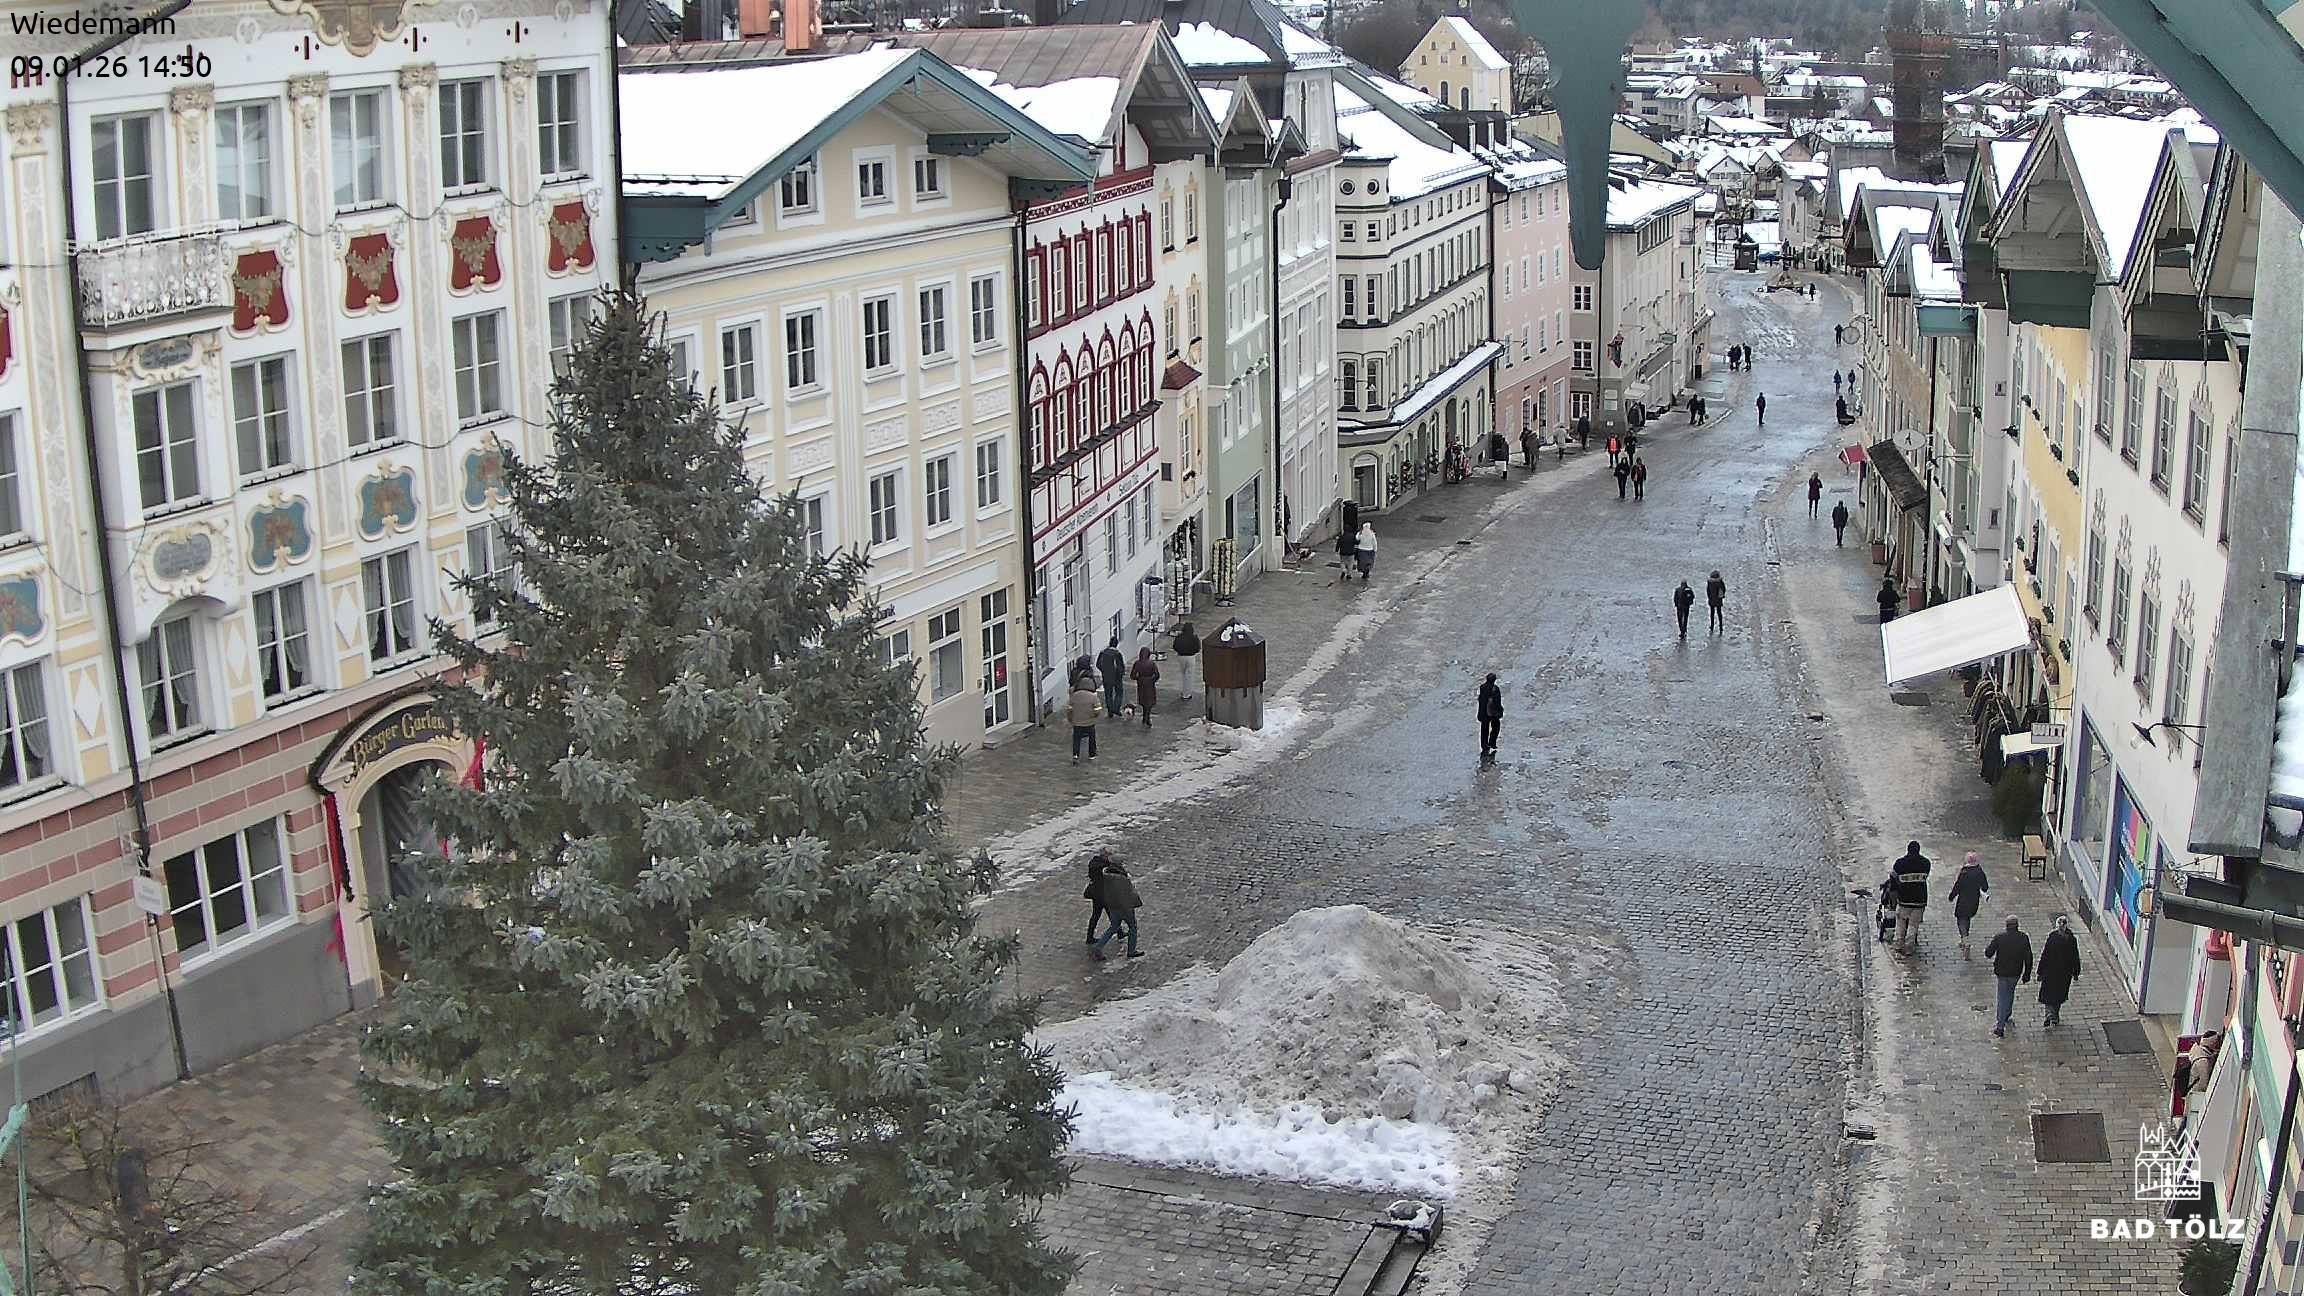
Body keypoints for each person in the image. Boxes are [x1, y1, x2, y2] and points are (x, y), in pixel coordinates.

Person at [1983, 916, 2033, 1037]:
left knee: (2002, 997)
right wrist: (2027, 974)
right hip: (2015, 972)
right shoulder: (2023, 938)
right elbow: (2028, 958)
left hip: (2002, 972)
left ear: (2006, 926)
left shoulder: (2000, 937)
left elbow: (1988, 953)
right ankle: (2007, 1014)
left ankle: (2000, 1025)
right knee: (2010, 992)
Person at [1088, 859, 1143, 960]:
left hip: (1113, 906)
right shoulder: (1123, 880)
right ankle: (1131, 951)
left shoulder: (1105, 876)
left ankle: (1098, 946)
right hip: (1125, 908)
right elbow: (1129, 894)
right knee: (1132, 927)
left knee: (1113, 927)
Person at [2037, 916, 2081, 1027]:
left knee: (2048, 994)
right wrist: (2076, 972)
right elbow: (2075, 957)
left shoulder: (2052, 938)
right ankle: (2055, 1016)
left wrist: (2040, 971)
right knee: (2059, 995)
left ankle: (2048, 1014)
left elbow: (2045, 955)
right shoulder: (2071, 940)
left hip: (2050, 971)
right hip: (2064, 973)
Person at [1891, 841, 1932, 953]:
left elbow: (1893, 880)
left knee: (1901, 923)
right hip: (1920, 900)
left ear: (1907, 850)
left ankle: (1899, 943)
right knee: (1913, 925)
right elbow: (1925, 877)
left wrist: (1894, 896)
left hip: (1904, 899)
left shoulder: (1899, 863)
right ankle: (1909, 946)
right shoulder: (1926, 863)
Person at [1947, 852, 1990, 956]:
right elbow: (1985, 887)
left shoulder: (1964, 872)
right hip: (1974, 901)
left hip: (1963, 901)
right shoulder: (1979, 872)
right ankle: (1964, 940)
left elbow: (1958, 886)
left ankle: (1965, 940)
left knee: (1961, 920)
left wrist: (1951, 896)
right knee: (1967, 918)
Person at [1082, 851, 1116, 943]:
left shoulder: (1094, 862)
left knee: (1097, 915)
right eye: (1109, 855)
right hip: (1101, 894)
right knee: (1110, 914)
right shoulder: (1102, 867)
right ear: (1105, 855)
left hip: (1096, 894)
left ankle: (1090, 936)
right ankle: (1117, 932)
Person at [1068, 675, 1101, 763]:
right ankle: (1092, 754)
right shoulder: (1093, 697)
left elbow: (1070, 709)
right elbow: (1097, 710)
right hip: (1089, 722)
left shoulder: (1074, 696)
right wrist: (1094, 716)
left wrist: (1070, 719)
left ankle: (1075, 755)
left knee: (1076, 739)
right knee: (1092, 738)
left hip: (1077, 722)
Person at [1097, 636, 1127, 718]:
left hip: (1106, 676)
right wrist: (1121, 673)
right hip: (1117, 677)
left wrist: (1104, 671)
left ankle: (1110, 710)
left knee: (1108, 694)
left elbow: (1098, 664)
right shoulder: (1117, 654)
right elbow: (1121, 666)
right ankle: (1116, 708)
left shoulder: (1103, 652)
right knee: (1119, 693)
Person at [1129, 647, 1159, 727]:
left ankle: (1145, 716)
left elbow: (1132, 675)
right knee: (1149, 700)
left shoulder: (1137, 663)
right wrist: (1152, 680)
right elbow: (1157, 675)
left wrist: (1139, 679)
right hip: (1150, 684)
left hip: (1141, 683)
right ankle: (1147, 717)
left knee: (1143, 700)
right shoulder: (1152, 664)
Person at [1476, 672, 1504, 758]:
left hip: (1485, 713)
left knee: (1485, 729)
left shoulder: (1483, 688)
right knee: (1494, 728)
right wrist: (1500, 711)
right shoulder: (1495, 689)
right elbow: (1497, 702)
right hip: (1493, 713)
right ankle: (1491, 742)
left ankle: (1485, 745)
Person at [1171, 621, 1200, 700]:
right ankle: (1187, 693)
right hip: (1191, 657)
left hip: (1181, 657)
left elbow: (1175, 646)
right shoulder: (1194, 637)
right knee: (1189, 676)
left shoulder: (1179, 637)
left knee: (1183, 674)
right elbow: (1197, 648)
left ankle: (1183, 691)